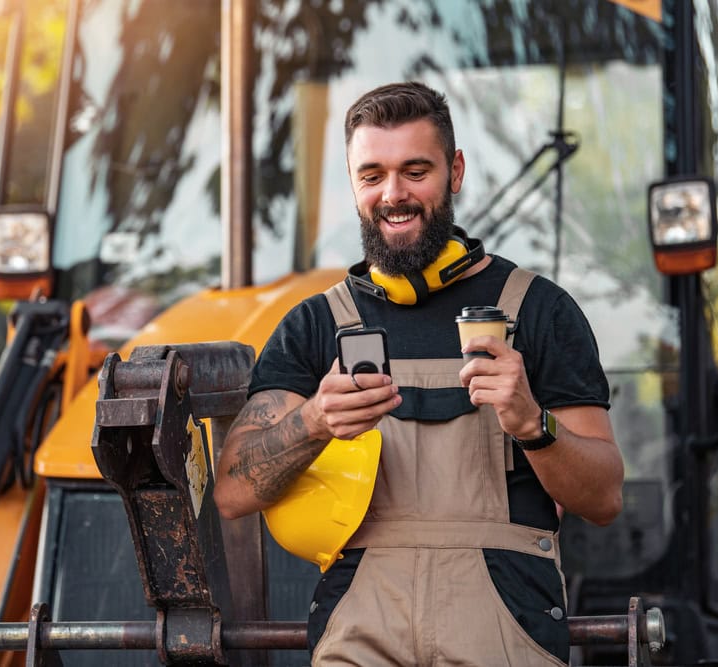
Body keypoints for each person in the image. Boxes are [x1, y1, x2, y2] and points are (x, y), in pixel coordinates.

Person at [213, 81, 624, 666]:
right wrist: (312, 421)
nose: (393, 195)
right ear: (353, 183)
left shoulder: (537, 309)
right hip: (360, 624)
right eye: (372, 175)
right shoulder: (315, 324)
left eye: (415, 171)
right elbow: (231, 492)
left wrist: (533, 425)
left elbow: (605, 496)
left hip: (504, 625)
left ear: (454, 171)